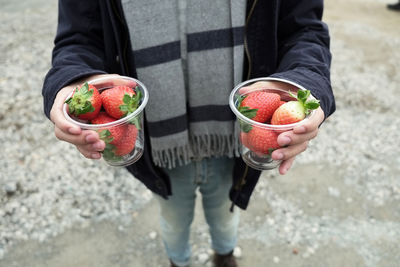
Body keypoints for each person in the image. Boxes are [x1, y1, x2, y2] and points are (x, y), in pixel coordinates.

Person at [42, 1, 335, 266]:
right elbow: (79, 38)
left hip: (234, 140)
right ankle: (178, 261)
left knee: (224, 214)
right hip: (159, 143)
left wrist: (302, 83)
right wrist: (74, 80)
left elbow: (303, 30)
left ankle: (224, 254)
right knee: (174, 218)